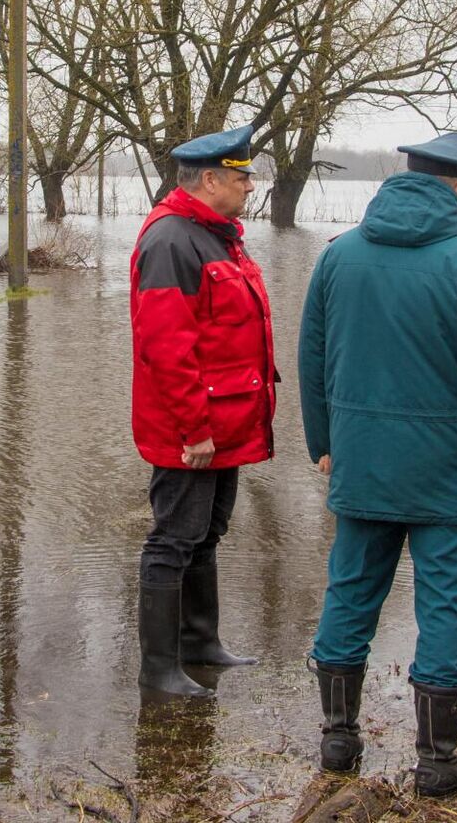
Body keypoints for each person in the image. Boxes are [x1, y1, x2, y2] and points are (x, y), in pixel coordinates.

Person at [300, 132, 457, 797]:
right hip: (443, 468)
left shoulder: (337, 258)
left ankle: (338, 743)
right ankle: (437, 761)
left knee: (350, 591)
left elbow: (312, 361)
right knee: (441, 607)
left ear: (403, 178)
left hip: (362, 461)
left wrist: (322, 440)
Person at [128, 125, 275, 698]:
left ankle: (200, 642)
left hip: (224, 422)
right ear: (209, 179)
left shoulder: (215, 235)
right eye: (241, 178)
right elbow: (165, 346)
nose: (248, 188)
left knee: (207, 534)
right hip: (192, 428)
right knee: (173, 540)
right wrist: (195, 428)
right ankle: (158, 669)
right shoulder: (171, 239)